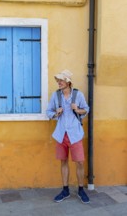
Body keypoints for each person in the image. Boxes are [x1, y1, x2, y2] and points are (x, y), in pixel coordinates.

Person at [46, 69, 90, 204]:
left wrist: (77, 109)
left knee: (80, 162)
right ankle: (65, 190)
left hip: (75, 134)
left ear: (68, 82)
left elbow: (86, 110)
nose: (58, 82)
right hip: (61, 134)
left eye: (61, 80)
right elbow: (48, 111)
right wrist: (56, 113)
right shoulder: (56, 96)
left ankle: (81, 189)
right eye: (58, 80)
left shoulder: (78, 95)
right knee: (63, 161)